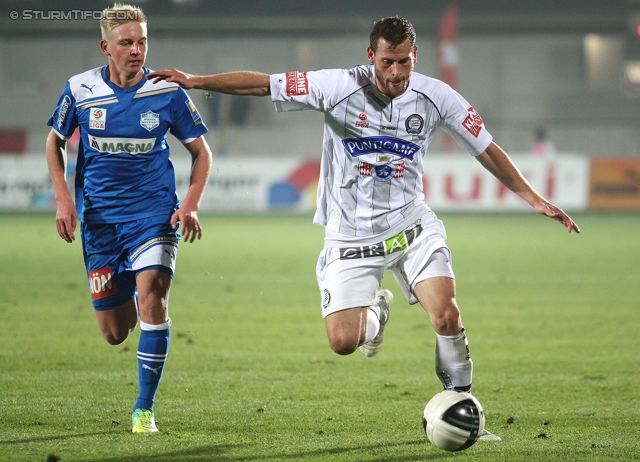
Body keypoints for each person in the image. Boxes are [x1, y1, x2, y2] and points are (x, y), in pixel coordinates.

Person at [148, 16, 579, 441]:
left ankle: (463, 406)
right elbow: (265, 83)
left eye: (405, 62)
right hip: (350, 236)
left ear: (416, 56)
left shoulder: (437, 97)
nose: (396, 73)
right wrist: (195, 79)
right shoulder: (336, 87)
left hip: (412, 226)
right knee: (341, 342)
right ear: (371, 55)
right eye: (388, 62)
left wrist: (533, 198)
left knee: (447, 315)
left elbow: (486, 148)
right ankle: (378, 311)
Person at [45, 3, 212, 433]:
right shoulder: (79, 89)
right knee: (116, 332)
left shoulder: (167, 91)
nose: (136, 50)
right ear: (106, 47)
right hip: (100, 222)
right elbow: (55, 141)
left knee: (154, 294)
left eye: (142, 42)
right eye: (126, 43)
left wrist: (189, 202)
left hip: (154, 214)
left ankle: (143, 410)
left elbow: (201, 152)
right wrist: (63, 196)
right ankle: (137, 300)